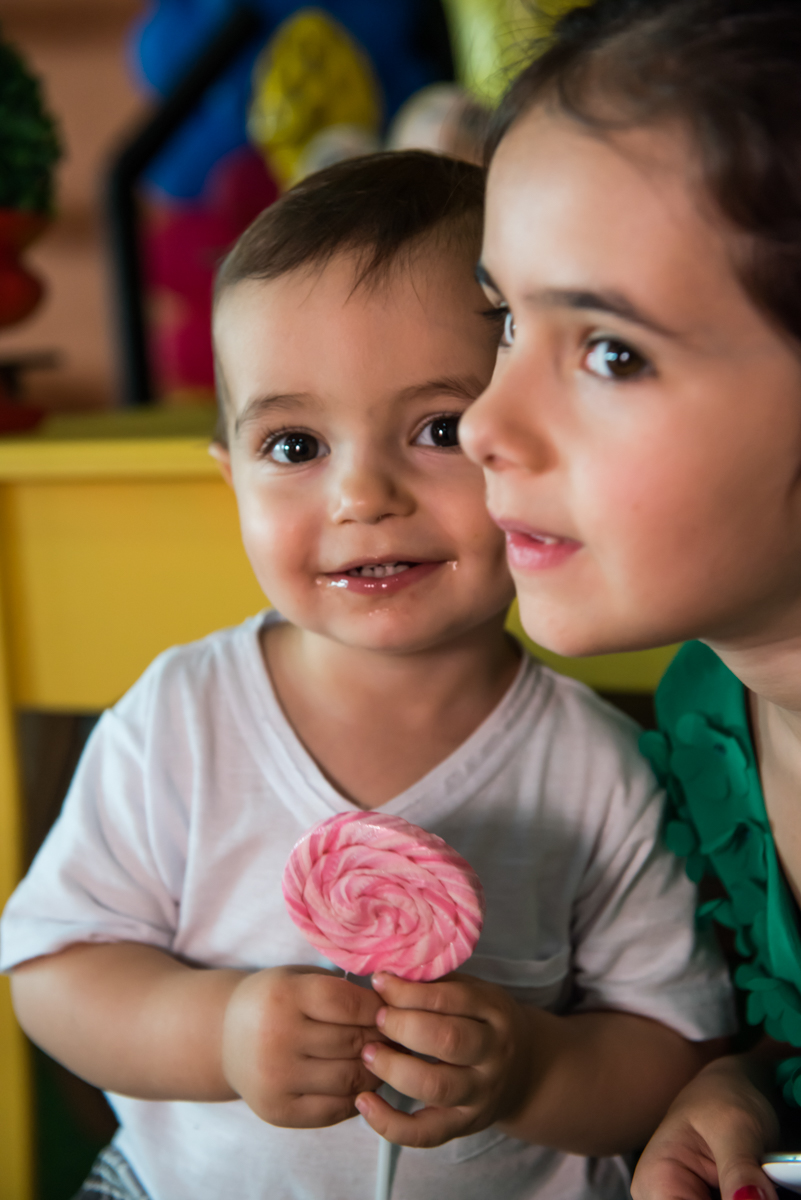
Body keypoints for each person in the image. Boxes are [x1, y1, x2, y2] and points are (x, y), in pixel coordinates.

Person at [0, 151, 731, 1200]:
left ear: (528, 443)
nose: (362, 493)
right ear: (230, 476)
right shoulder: (181, 718)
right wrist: (219, 1032)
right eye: (294, 444)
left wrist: (532, 1067)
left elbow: (672, 1047)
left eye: (437, 430)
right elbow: (53, 974)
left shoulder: (597, 766)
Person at [456, 2, 801, 1198]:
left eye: (610, 351)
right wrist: (742, 1086)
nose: (484, 423)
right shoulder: (710, 715)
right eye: (504, 319)